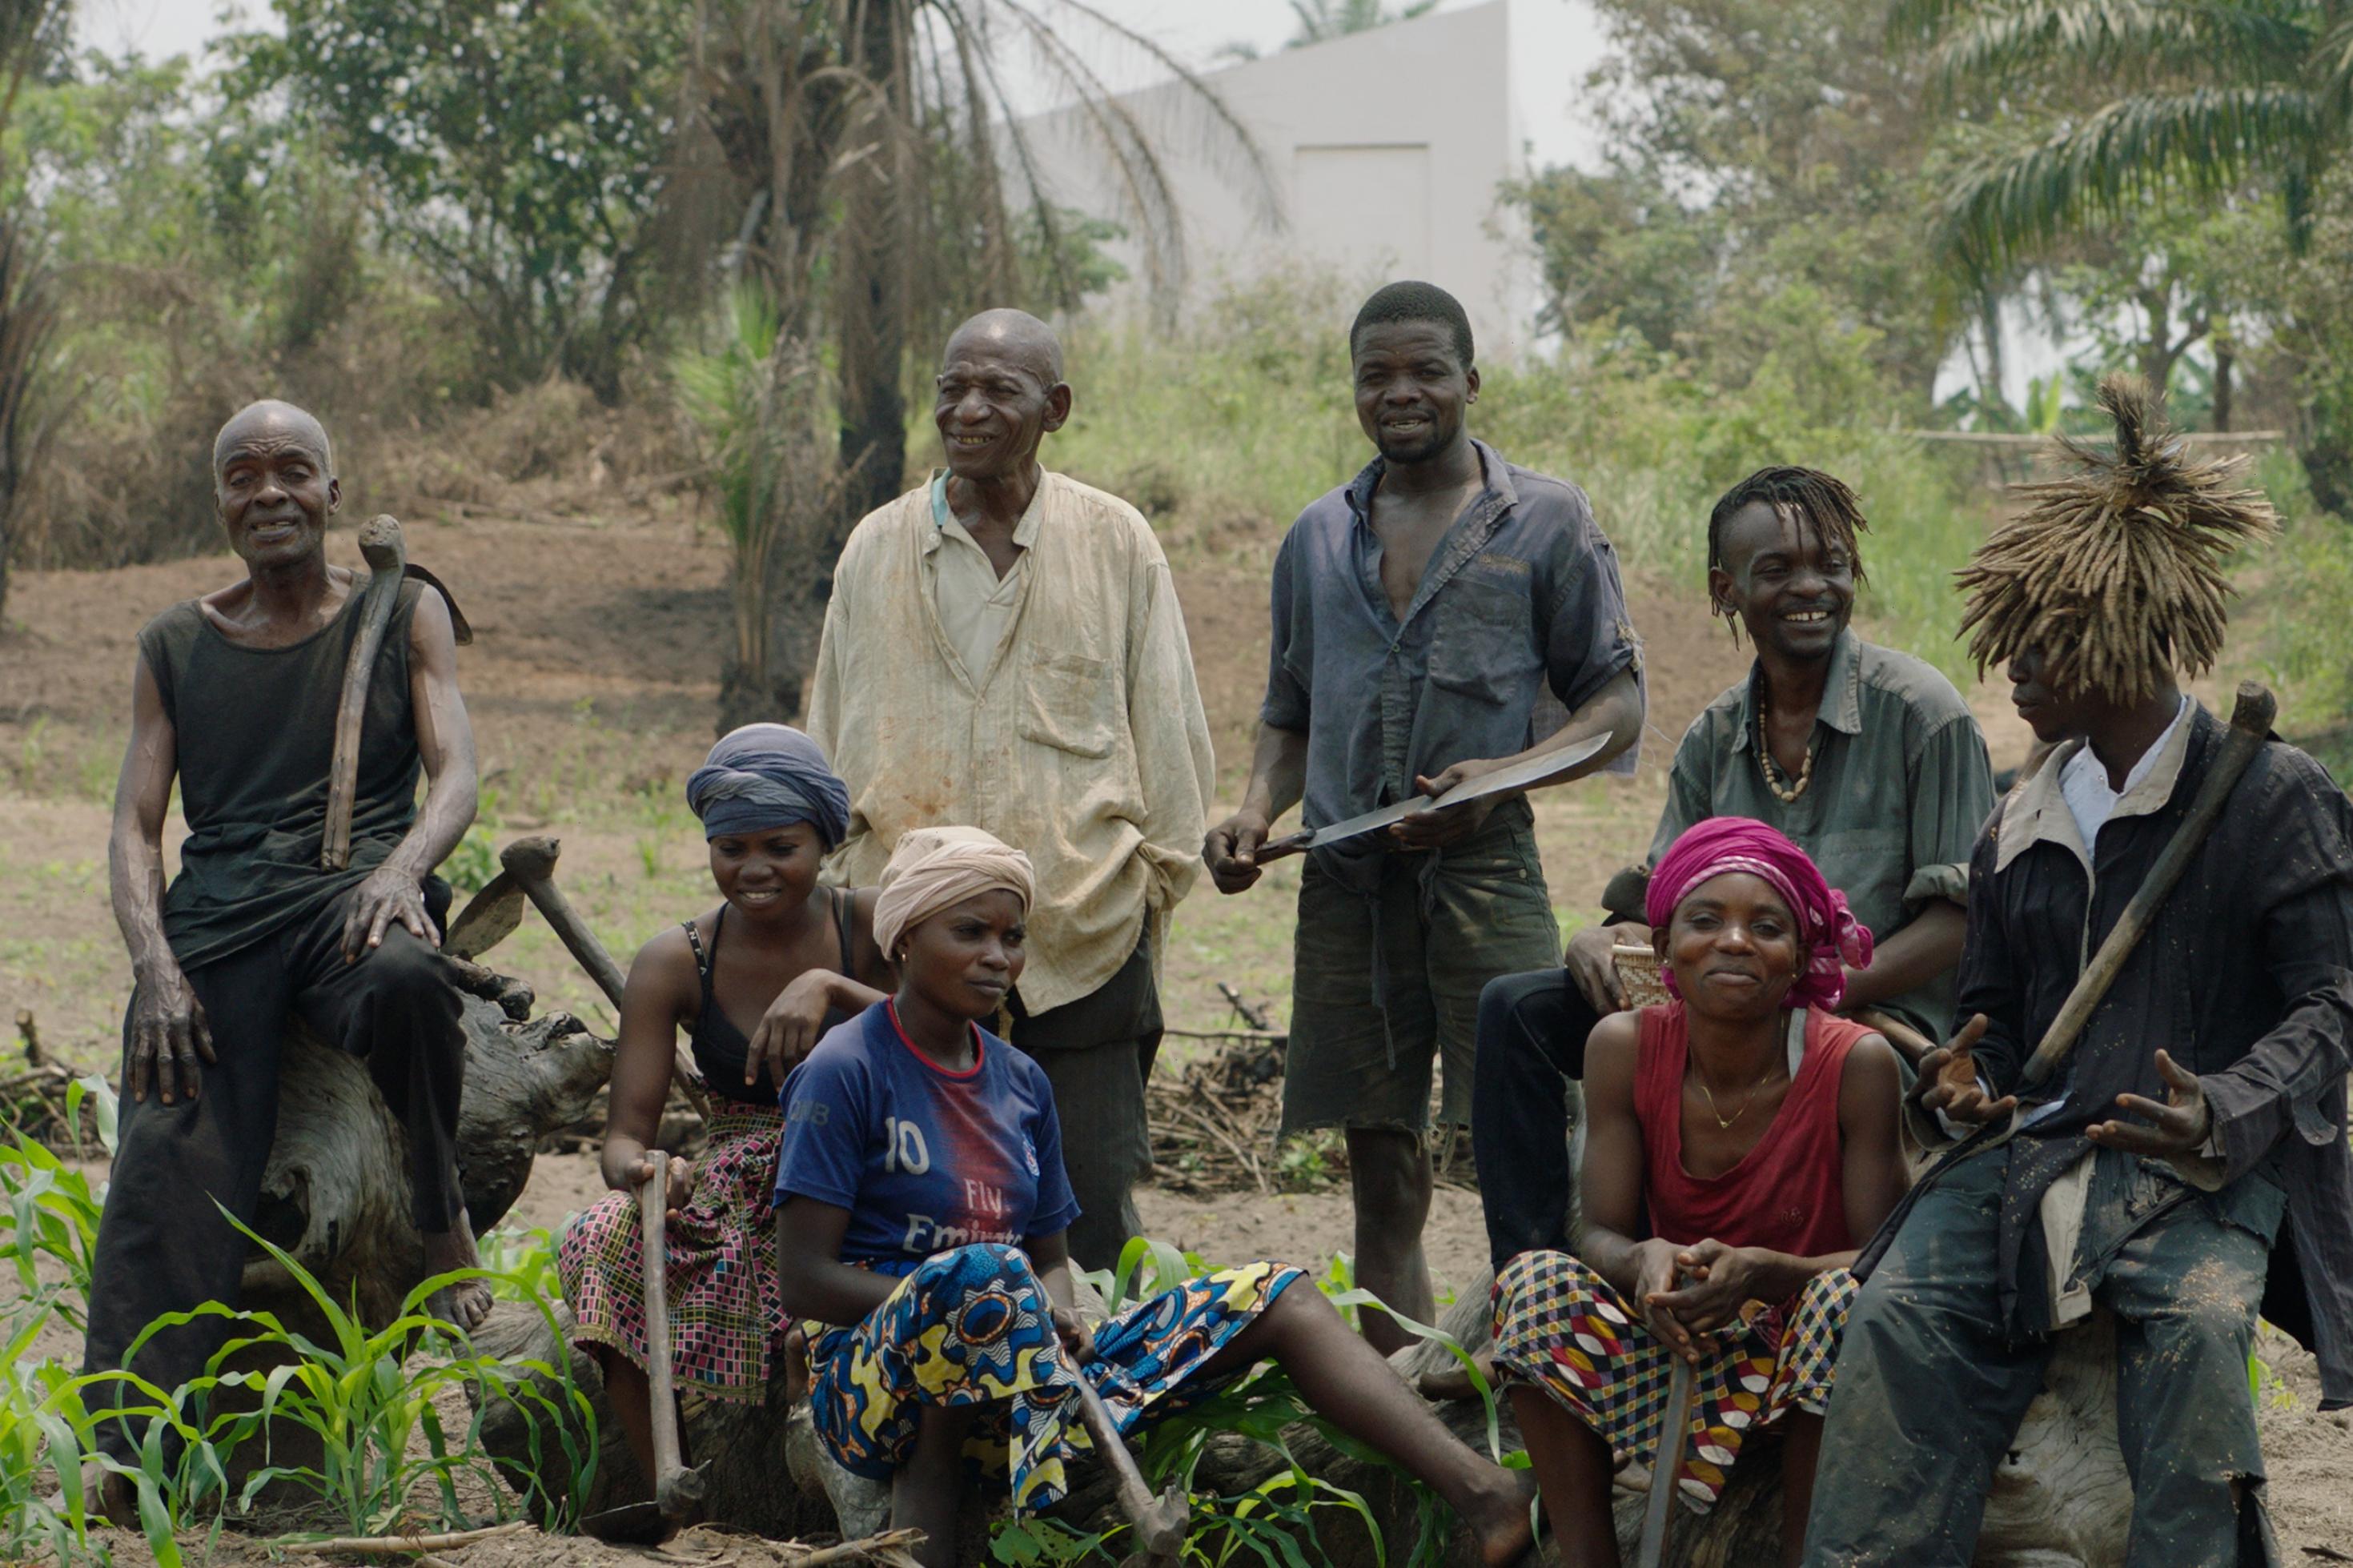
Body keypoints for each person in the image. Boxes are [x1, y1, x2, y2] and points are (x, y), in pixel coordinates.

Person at [1805, 378, 2353, 1565]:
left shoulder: (2272, 796)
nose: (2012, 666)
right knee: (1896, 1312)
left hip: (2197, 1176)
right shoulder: (2016, 818)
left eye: (2042, 639)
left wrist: (2220, 1104)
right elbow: (1993, 1016)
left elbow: (2329, 1006)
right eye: (2008, 636)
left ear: (2132, 633)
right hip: (2036, 1153)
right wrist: (1969, 1076)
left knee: (2195, 1333)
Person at [774, 827, 1538, 1568]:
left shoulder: (1019, 1080)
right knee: (977, 1278)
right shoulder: (847, 1068)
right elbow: (804, 1279)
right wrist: (989, 1305)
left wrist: (1055, 1314)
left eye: (1012, 937)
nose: (998, 956)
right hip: (872, 1393)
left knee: (1277, 1293)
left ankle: (1487, 1495)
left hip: (1030, 1381)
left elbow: (1050, 1258)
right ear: (904, 939)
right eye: (970, 932)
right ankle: (935, 1534)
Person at [1203, 280, 1645, 1352]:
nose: (1399, 392)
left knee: (1528, 1132)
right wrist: (1252, 809)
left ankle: (1540, 1367)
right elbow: (1290, 710)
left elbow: (1614, 705)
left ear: (1469, 382)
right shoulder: (1316, 535)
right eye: (1376, 375)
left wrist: (1497, 780)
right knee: (1379, 1156)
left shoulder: (1544, 518)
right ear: (1354, 389)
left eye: (1424, 371)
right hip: (1346, 885)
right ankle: (1397, 1380)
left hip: (1484, 870)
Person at [82, 399, 482, 1510]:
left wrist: (402, 871)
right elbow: (134, 826)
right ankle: (133, 1447)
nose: (269, 492)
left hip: (349, 899)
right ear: (219, 502)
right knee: (165, 1145)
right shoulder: (175, 642)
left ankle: (441, 1216)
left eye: (293, 470)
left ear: (332, 491)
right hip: (217, 921)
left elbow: (456, 772)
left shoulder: (404, 610)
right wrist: (155, 966)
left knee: (408, 980)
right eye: (242, 475)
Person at [1472, 467, 1994, 1270]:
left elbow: (1958, 920)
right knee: (1517, 1008)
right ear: (1726, 590)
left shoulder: (1921, 714)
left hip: (1870, 1021)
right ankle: (1534, 1276)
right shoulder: (1714, 736)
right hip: (1725, 1007)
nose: (1810, 587)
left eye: (1830, 564)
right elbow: (1662, 899)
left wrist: (1812, 987)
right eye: (1776, 570)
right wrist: (1602, 936)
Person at [807, 307, 1215, 1270]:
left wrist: (1144, 897)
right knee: (908, 1215)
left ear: (1054, 409)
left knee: (1088, 1224)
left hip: (1078, 943)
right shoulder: (875, 547)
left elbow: (1171, 745)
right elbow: (829, 741)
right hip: (906, 954)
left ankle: (1090, 1373)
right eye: (952, 389)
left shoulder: (1115, 543)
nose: (968, 410)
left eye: (999, 390)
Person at [1491, 818, 1905, 1568]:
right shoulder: (1623, 1046)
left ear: (1799, 957)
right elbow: (1601, 1234)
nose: (1734, 942)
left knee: (1839, 1301)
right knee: (1534, 1281)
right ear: (1662, 948)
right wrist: (1643, 1259)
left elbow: (1887, 1258)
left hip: (1806, 1379)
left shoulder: (1854, 1063)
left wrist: (1770, 1271)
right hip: (1676, 1353)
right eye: (1705, 921)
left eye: (1766, 927)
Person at [556, 724, 891, 1508]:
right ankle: (672, 1488)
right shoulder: (676, 960)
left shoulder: (874, 926)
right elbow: (623, 1135)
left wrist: (832, 988)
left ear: (825, 841)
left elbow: (953, 1049)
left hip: (870, 1170)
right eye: (730, 848)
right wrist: (647, 1171)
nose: (754, 868)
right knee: (599, 1233)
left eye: (781, 846)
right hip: (740, 1187)